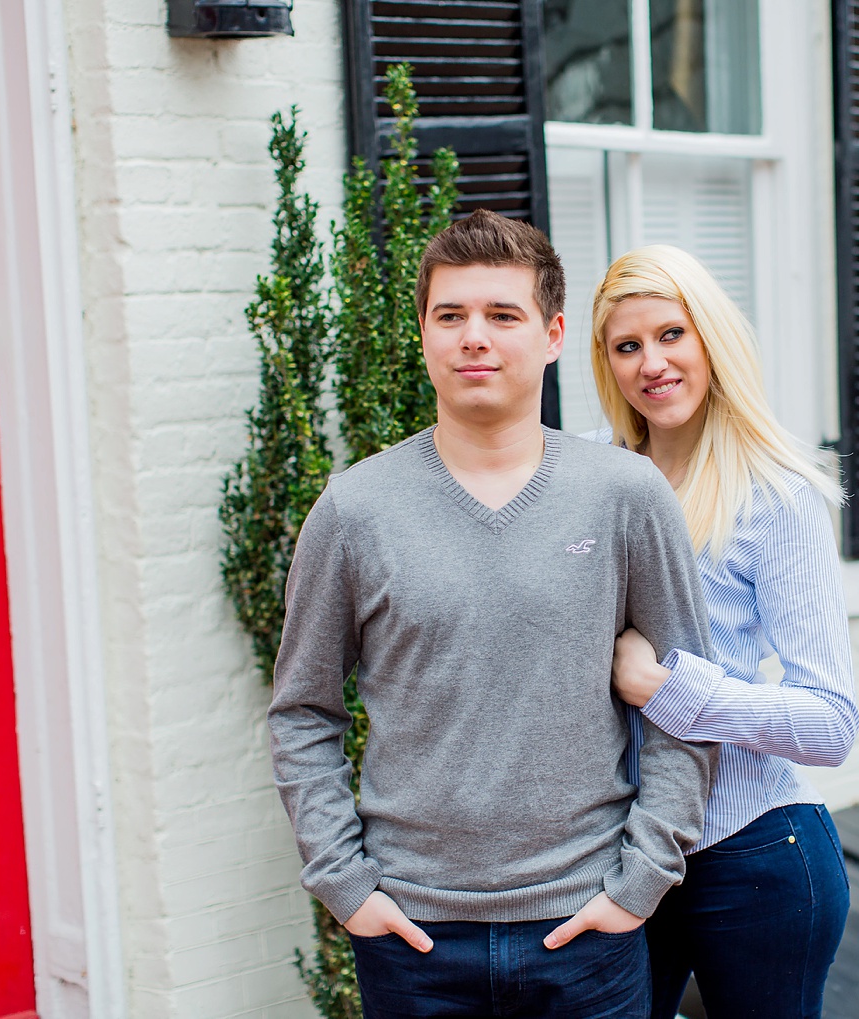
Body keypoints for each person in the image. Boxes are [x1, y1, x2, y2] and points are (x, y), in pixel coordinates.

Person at [268, 211, 718, 1019]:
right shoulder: (354, 509)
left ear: (550, 336)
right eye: (451, 315)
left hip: (588, 928)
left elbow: (690, 698)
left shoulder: (625, 496)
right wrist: (345, 885)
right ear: (424, 334)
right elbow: (303, 711)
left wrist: (641, 882)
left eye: (501, 315)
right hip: (414, 937)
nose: (474, 336)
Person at [590, 245, 859, 1019]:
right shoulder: (598, 488)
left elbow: (831, 722)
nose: (652, 363)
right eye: (628, 345)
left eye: (672, 334)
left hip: (755, 856)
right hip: (626, 855)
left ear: (712, 339)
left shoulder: (777, 499)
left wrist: (670, 690)